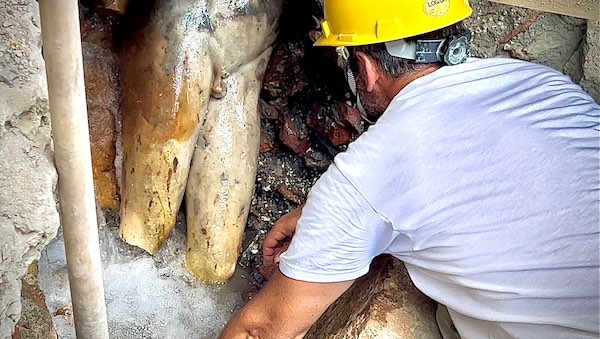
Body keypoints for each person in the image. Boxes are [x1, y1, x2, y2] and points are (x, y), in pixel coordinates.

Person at [220, 0, 600, 337]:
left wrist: (339, 208)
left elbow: (260, 330)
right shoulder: (544, 83)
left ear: (365, 68)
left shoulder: (372, 167)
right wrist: (317, 216)